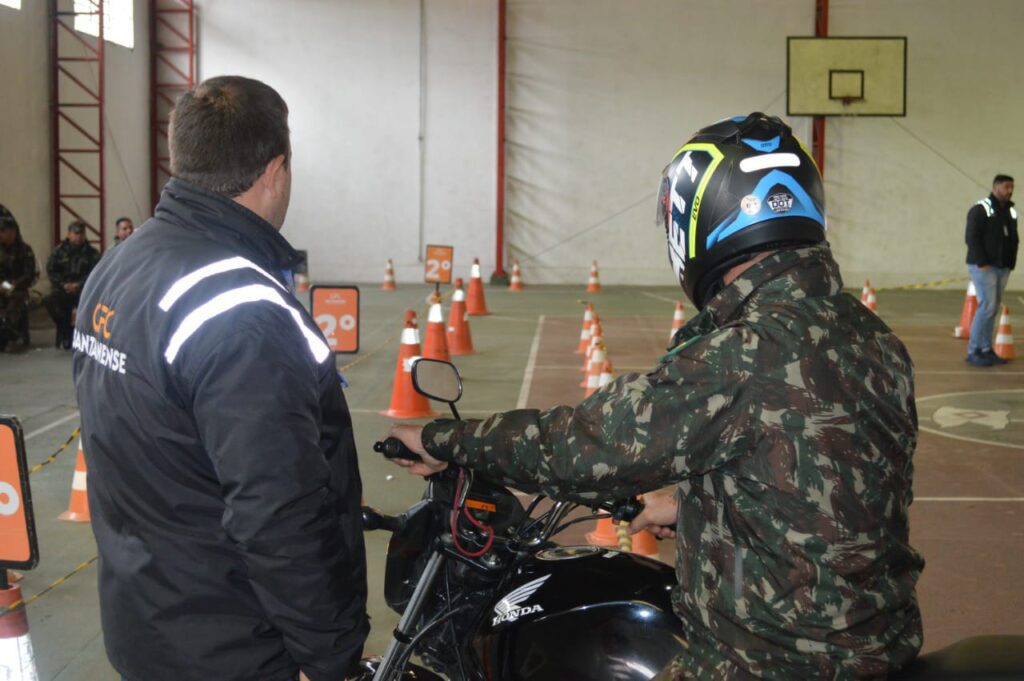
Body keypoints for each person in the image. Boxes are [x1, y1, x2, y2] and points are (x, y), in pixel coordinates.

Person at [387, 113, 924, 680]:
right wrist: (689, 505)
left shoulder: (740, 351)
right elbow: (827, 483)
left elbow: (584, 444)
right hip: (878, 642)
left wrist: (446, 438)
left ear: (702, 219)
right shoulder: (871, 336)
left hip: (764, 662)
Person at [71, 76, 368, 681]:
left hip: (144, 620)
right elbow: (278, 512)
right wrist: (328, 655)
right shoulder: (243, 313)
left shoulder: (122, 263)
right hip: (238, 647)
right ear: (275, 170)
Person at [964, 174, 1018, 367]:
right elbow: (971, 237)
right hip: (984, 266)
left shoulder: (1010, 212)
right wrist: (982, 262)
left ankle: (986, 349)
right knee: (987, 306)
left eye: (1012, 187)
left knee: (992, 308)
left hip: (1002, 267)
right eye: (1006, 187)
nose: (1010, 190)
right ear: (996, 187)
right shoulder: (981, 209)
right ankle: (974, 350)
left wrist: (1010, 264)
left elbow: (1013, 239)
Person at [44, 219, 100, 349]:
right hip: (63, 289)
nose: (78, 236)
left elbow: (95, 273)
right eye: (75, 233)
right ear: (69, 234)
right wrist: (63, 285)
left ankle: (83, 335)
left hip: (84, 290)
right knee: (50, 300)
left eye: (80, 233)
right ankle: (66, 331)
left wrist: (79, 284)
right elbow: (51, 271)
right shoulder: (58, 252)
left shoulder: (92, 253)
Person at [0, 205, 37, 350]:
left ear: (13, 232)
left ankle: (11, 332)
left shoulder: (24, 250)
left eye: (4, 231)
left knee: (16, 301)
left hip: (17, 288)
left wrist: (13, 285)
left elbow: (29, 274)